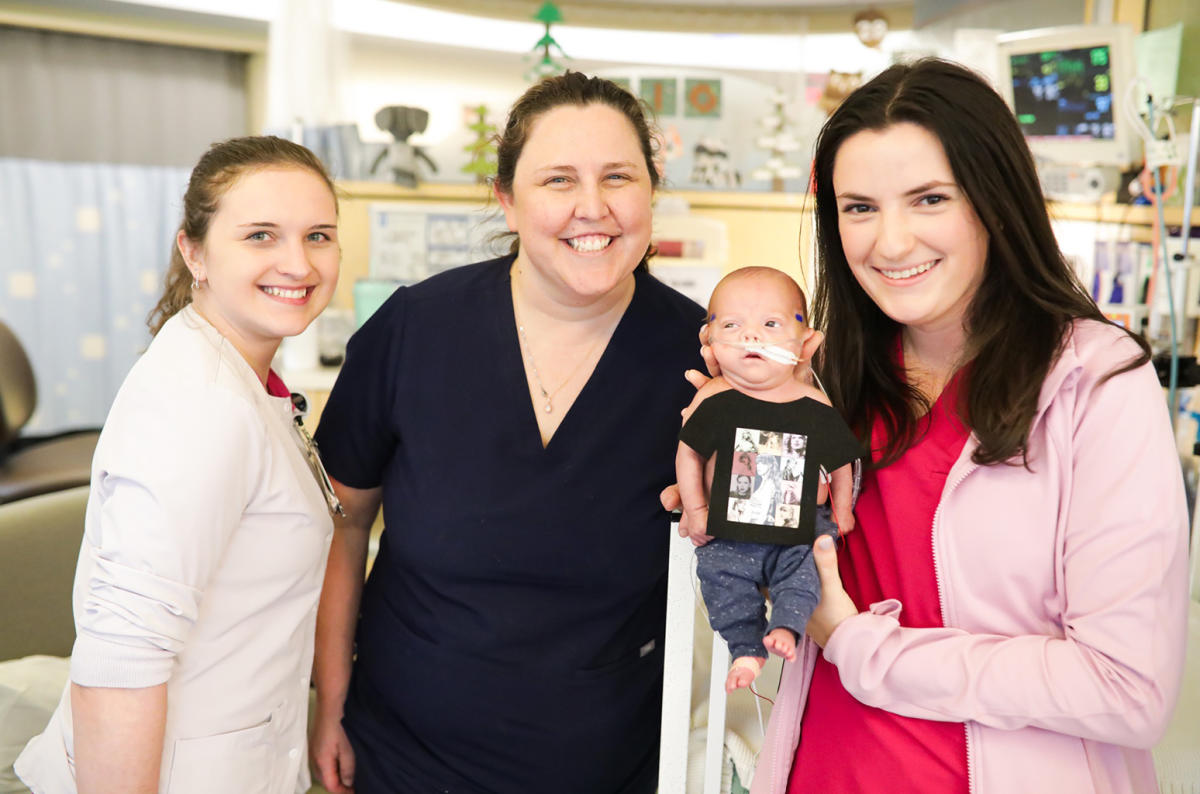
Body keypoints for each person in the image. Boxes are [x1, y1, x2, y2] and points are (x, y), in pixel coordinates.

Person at [738, 59, 1188, 794]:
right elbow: (776, 583)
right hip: (825, 770)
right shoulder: (831, 382)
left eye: (928, 199)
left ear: (994, 200)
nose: (890, 243)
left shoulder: (1096, 383)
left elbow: (1125, 687)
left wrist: (862, 646)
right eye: (859, 208)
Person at [308, 71, 705, 794]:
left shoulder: (702, 361)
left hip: (607, 762)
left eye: (618, 176)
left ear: (652, 190)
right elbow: (340, 523)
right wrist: (328, 700)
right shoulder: (416, 330)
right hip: (402, 753)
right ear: (506, 200)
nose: (594, 207)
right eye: (558, 180)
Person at [15, 136, 343, 793]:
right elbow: (122, 659)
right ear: (194, 251)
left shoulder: (238, 374)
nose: (297, 262)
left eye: (318, 235)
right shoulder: (200, 407)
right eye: (260, 235)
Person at [676, 268, 859, 694]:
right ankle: (745, 648)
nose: (751, 337)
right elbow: (689, 453)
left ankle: (788, 627)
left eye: (771, 325)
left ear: (805, 342)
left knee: (803, 572)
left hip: (797, 531)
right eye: (732, 326)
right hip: (729, 533)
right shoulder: (717, 399)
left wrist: (843, 509)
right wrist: (698, 508)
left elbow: (841, 464)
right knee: (719, 577)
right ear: (711, 342)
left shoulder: (813, 405)